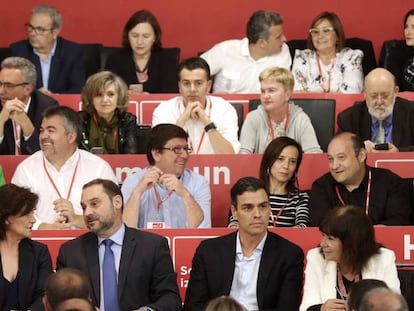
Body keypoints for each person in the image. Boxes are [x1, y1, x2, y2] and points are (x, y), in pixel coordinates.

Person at [56, 178, 182, 311]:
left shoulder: (152, 246)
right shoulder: (71, 252)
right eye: (84, 207)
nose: (87, 213)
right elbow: (60, 301)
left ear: (117, 202)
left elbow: (170, 299)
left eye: (94, 204)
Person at [184, 177, 304, 311]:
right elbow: (193, 306)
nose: (257, 214)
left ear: (270, 209)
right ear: (234, 212)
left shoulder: (290, 255)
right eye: (248, 208)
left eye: (263, 206)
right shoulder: (208, 251)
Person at [12, 106, 117, 230]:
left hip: (89, 243)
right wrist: (44, 227)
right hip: (39, 244)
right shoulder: (26, 169)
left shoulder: (98, 168)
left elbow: (114, 217)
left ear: (71, 136)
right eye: (41, 130)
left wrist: (78, 220)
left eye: (51, 130)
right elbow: (15, 216)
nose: (43, 136)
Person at [300, 205, 401, 311]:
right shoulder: (316, 258)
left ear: (351, 242)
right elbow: (307, 306)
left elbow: (394, 307)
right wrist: (321, 309)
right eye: (323, 236)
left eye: (330, 239)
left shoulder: (383, 259)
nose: (322, 243)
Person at [309, 132, 411, 226]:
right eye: (330, 159)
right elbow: (321, 227)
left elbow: (399, 223)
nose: (334, 166)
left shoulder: (391, 183)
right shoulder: (321, 187)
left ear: (361, 156)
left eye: (341, 157)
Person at [121, 123, 211, 228]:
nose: (185, 155)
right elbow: (126, 231)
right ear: (156, 154)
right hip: (147, 244)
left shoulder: (198, 182)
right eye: (176, 149)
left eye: (186, 149)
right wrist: (137, 193)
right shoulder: (134, 182)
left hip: (185, 244)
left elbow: (202, 230)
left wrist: (185, 195)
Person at [152, 57, 240, 154]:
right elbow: (159, 154)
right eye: (186, 83)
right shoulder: (164, 110)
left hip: (215, 169)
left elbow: (230, 155)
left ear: (208, 86)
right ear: (179, 86)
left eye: (198, 83)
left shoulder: (225, 109)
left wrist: (207, 123)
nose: (192, 89)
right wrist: (182, 119)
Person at [201, 10, 291, 93]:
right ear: (262, 43)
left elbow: (283, 91)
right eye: (278, 37)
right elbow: (191, 73)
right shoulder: (224, 50)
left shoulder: (283, 52)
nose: (284, 39)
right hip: (223, 108)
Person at [229, 136, 309, 227]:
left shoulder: (300, 198)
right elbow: (234, 224)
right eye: (280, 159)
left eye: (292, 161)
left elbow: (302, 228)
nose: (286, 166)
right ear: (269, 161)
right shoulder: (249, 191)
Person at [239, 67, 322, 154]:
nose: (266, 96)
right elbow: (243, 156)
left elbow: (314, 155)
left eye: (271, 90)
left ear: (287, 94)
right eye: (263, 91)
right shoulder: (253, 118)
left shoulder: (300, 119)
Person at [0, 184, 53, 311]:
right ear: (7, 217)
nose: (33, 220)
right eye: (27, 214)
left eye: (33, 213)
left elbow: (45, 295)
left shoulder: (39, 252)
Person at [10, 4, 85, 94]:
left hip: (61, 106)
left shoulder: (72, 52)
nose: (33, 33)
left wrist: (54, 97)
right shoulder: (18, 51)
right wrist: (35, 96)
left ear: (55, 32)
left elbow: (78, 89)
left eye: (40, 29)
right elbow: (12, 88)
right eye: (31, 27)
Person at [337, 67, 414, 152]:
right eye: (373, 96)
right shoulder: (349, 118)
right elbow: (339, 151)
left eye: (385, 96)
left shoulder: (411, 113)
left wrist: (398, 152)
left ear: (395, 92)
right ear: (365, 94)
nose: (379, 102)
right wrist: (359, 149)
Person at [105, 9, 178, 93]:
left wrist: (149, 99)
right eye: (135, 36)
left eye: (146, 36)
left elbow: (171, 95)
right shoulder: (115, 60)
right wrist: (123, 97)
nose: (139, 42)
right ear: (127, 35)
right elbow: (107, 93)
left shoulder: (167, 61)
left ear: (155, 37)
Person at [291, 11, 363, 93]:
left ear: (337, 36)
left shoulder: (351, 57)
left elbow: (352, 92)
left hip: (345, 106)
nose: (320, 36)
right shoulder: (302, 57)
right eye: (315, 32)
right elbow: (297, 93)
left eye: (326, 31)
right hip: (306, 106)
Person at [0, 57, 58, 155]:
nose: (1, 91)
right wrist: (1, 121)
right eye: (0, 84)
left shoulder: (47, 107)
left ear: (27, 89)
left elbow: (47, 154)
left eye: (8, 85)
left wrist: (25, 123)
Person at [79, 71, 139, 154]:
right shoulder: (80, 120)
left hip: (120, 166)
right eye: (99, 95)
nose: (105, 100)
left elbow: (130, 157)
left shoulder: (127, 120)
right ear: (91, 99)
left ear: (119, 97)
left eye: (110, 94)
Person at [380, 9, 414, 92]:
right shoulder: (396, 52)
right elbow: (392, 89)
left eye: (413, 27)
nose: (407, 32)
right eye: (406, 27)